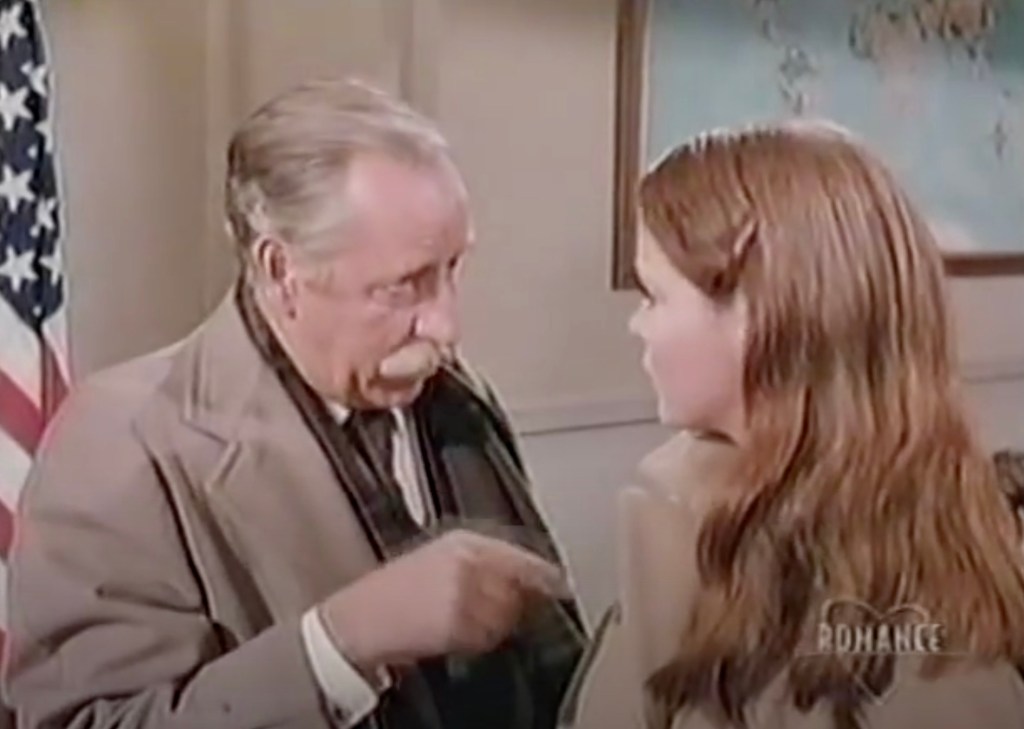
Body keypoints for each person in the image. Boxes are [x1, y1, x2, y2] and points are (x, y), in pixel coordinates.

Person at [2, 78, 585, 729]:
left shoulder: (461, 397)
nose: (448, 326)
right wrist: (339, 642)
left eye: (454, 268)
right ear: (281, 271)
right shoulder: (122, 446)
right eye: (404, 286)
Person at [566, 120, 1024, 729]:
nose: (637, 325)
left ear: (764, 318)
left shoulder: (931, 649)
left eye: (654, 296)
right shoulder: (683, 510)